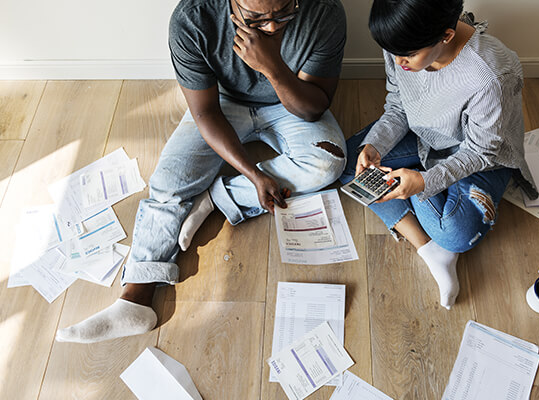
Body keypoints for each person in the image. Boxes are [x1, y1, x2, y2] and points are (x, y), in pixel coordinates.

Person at [56, 0, 347, 343]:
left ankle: (214, 199)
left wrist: (273, 68)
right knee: (168, 183)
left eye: (283, 14)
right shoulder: (192, 20)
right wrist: (254, 174)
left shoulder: (324, 10)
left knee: (329, 163)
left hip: (291, 100)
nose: (271, 27)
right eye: (256, 18)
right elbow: (205, 113)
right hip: (223, 105)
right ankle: (136, 296)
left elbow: (313, 108)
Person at [340, 0, 537, 309]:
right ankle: (430, 249)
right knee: (346, 160)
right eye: (393, 52)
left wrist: (425, 181)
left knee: (457, 234)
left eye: (408, 56)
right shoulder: (401, 42)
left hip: (480, 159)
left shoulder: (492, 74)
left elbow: (482, 152)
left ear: (446, 35)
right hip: (424, 136)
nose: (398, 61)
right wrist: (375, 146)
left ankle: (426, 206)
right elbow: (398, 106)